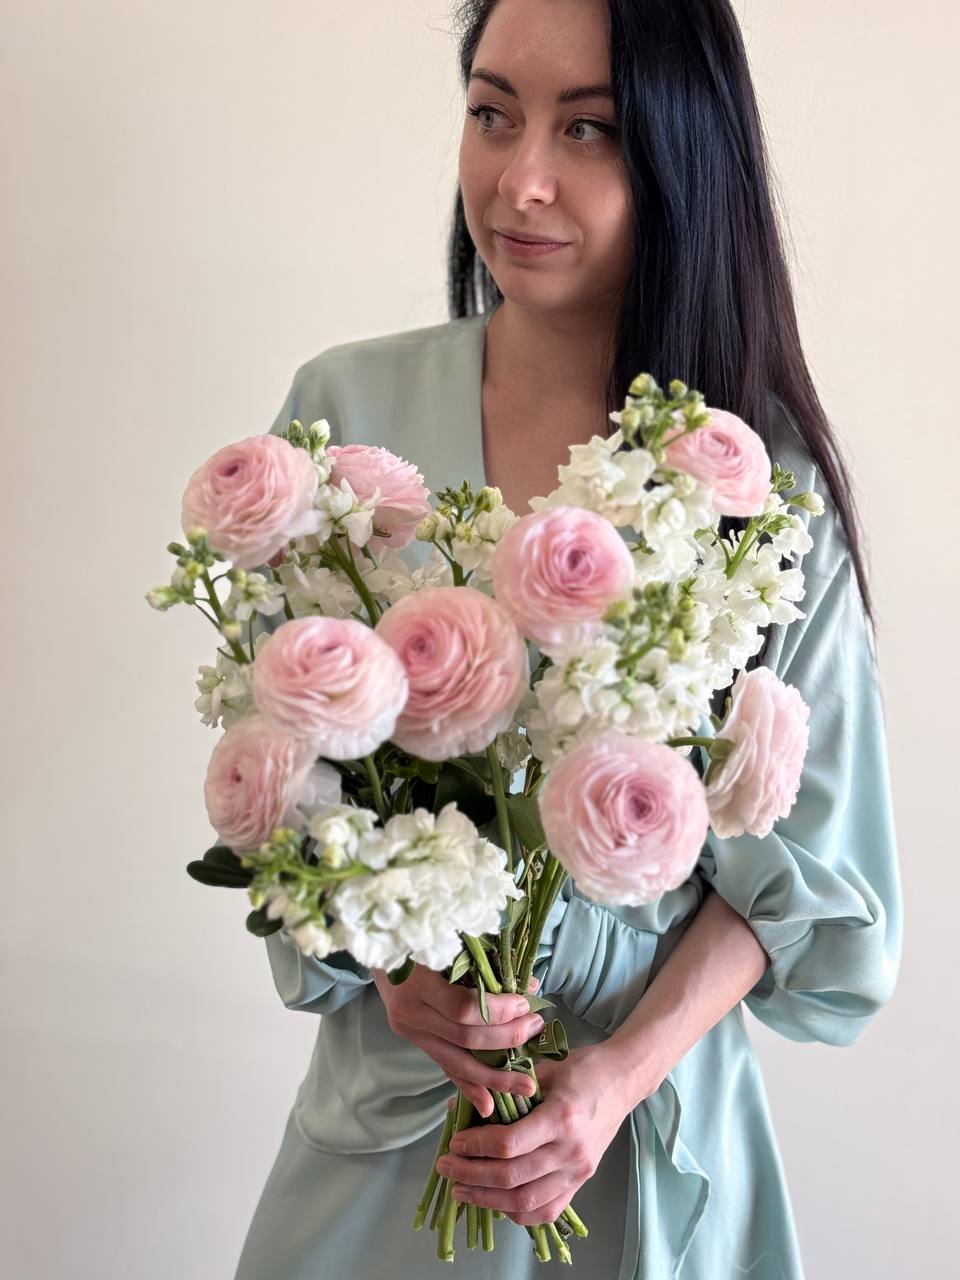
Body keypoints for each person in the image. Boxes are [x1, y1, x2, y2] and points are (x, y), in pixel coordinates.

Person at [233, 2, 903, 1276]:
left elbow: (810, 869)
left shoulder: (759, 483)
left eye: (587, 128)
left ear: (682, 152)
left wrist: (608, 1083)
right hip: (390, 1143)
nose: (519, 178)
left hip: (643, 1153)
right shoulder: (342, 420)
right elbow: (287, 780)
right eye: (492, 113)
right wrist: (391, 966)